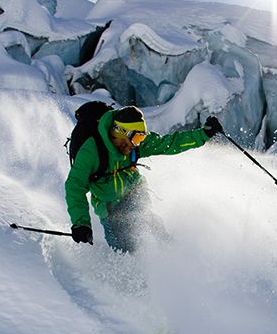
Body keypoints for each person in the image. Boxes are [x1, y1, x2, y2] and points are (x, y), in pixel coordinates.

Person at [65, 105, 224, 252]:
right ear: (121, 132)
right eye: (136, 139)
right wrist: (81, 223)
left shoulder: (132, 144)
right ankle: (133, 277)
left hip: (134, 191)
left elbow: (169, 143)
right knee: (124, 249)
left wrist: (204, 134)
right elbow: (74, 186)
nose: (137, 144)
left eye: (141, 139)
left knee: (152, 229)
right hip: (109, 205)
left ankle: (173, 257)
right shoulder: (91, 152)